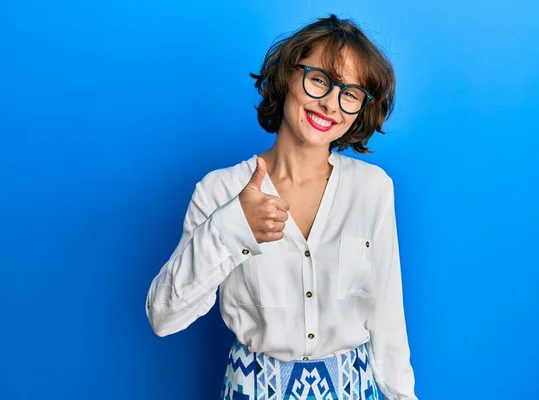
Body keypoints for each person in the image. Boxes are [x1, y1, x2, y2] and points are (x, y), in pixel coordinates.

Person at [145, 14, 418, 400]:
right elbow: (164, 317)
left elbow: (388, 319)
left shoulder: (372, 188)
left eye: (351, 93)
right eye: (320, 79)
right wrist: (231, 227)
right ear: (288, 75)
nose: (330, 104)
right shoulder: (219, 190)